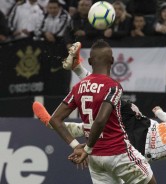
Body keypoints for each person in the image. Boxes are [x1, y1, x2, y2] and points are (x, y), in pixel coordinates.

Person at [34, 91, 166, 184]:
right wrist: (159, 112)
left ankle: (54, 124)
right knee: (116, 100)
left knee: (102, 132)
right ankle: (79, 68)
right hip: (142, 124)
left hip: (140, 148)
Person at [47, 39, 157, 184]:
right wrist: (87, 149)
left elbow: (54, 119)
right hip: (119, 153)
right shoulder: (113, 86)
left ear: (90, 61)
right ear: (112, 61)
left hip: (96, 158)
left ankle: (77, 67)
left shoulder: (78, 87)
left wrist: (76, 146)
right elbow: (100, 120)